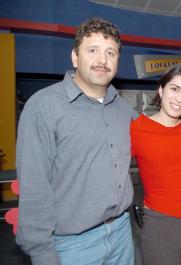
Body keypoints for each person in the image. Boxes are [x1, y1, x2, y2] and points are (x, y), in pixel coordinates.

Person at [16, 17, 137, 265]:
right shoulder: (43, 106)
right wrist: (41, 253)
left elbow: (160, 133)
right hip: (72, 246)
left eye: (110, 53)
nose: (102, 60)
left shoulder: (126, 112)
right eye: (92, 50)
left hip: (123, 234)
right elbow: (34, 187)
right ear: (75, 57)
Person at [130, 64, 181, 265]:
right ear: (161, 89)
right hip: (160, 225)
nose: (179, 99)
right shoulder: (137, 129)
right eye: (174, 89)